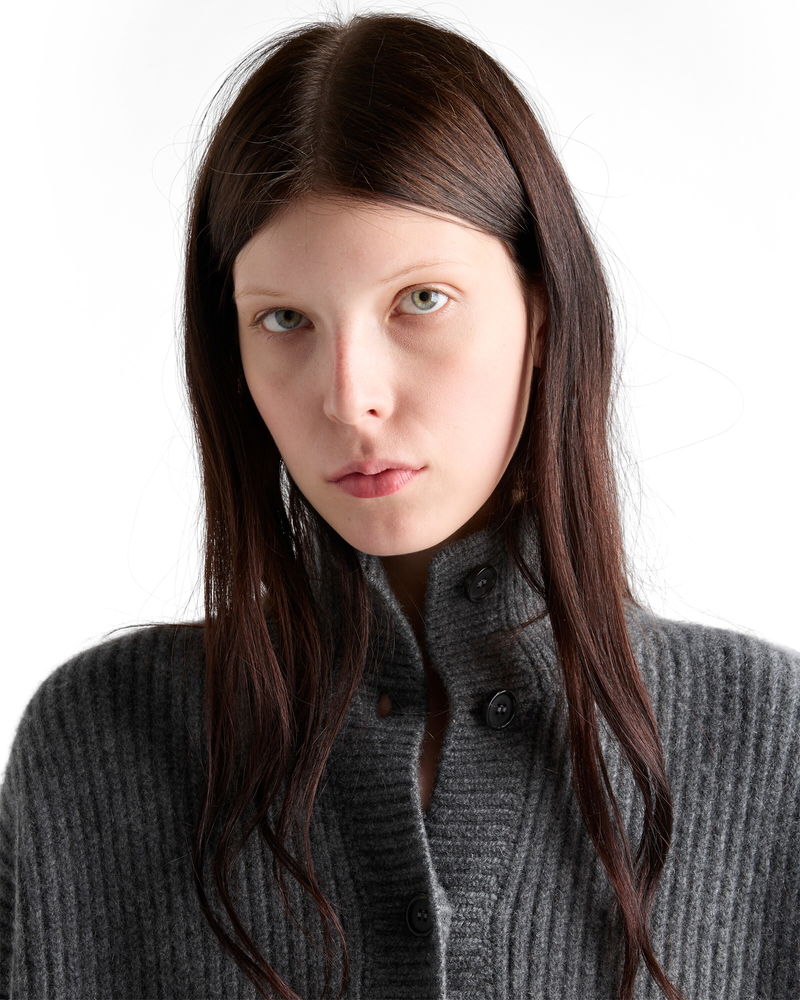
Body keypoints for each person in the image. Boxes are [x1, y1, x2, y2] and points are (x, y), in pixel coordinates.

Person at [0, 10, 798, 1000]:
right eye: (283, 319)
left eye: (420, 300)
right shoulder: (98, 740)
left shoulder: (768, 744)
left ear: (541, 310)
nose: (349, 397)